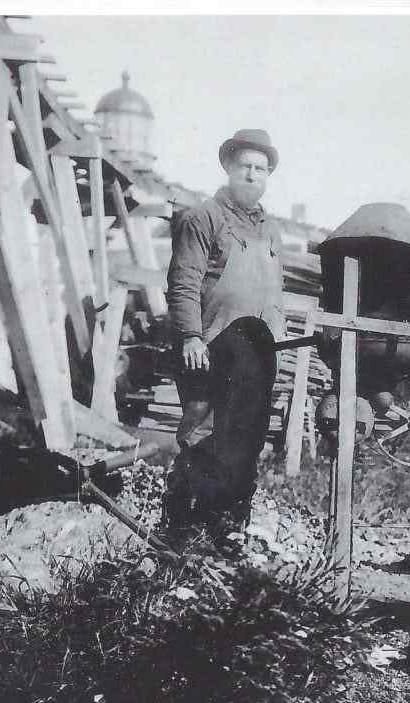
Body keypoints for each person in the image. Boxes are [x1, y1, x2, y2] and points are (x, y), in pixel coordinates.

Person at [162, 129, 285, 530]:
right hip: (212, 345)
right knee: (202, 427)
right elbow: (184, 280)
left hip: (257, 351)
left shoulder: (271, 231)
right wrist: (190, 335)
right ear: (229, 168)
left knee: (247, 439)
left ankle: (229, 525)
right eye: (245, 166)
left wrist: (278, 345)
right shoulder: (205, 217)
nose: (252, 175)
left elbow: (275, 294)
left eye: (260, 169)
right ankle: (181, 519)